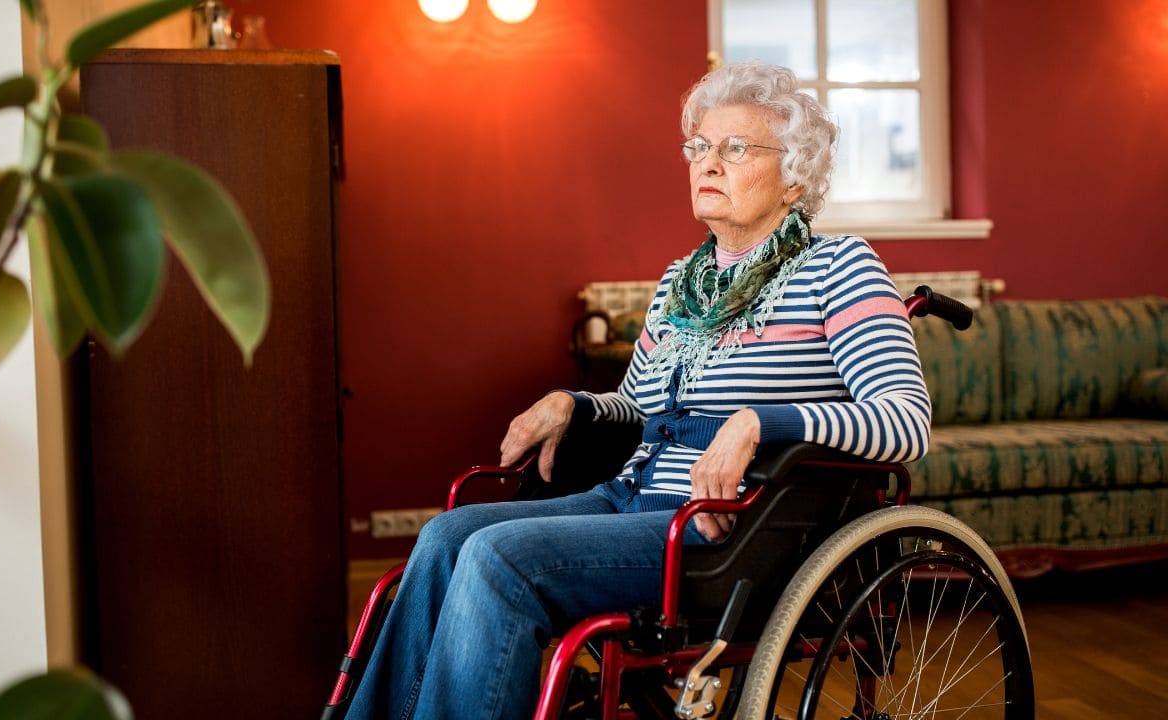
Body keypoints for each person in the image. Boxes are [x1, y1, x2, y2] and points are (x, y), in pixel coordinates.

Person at [345, 60, 932, 720]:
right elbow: (642, 406)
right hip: (630, 500)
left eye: (735, 148)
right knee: (447, 537)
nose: (707, 163)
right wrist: (574, 404)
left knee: (497, 559)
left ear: (795, 176)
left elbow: (904, 421)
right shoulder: (682, 280)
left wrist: (758, 423)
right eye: (699, 147)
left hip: (727, 535)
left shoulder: (841, 267)